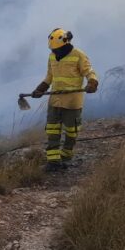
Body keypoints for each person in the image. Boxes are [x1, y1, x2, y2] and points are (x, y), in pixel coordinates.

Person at [31, 28, 99, 171]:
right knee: (52, 130)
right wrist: (40, 89)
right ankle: (53, 162)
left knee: (71, 131)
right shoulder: (52, 56)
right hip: (55, 100)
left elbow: (89, 72)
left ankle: (66, 157)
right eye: (53, 50)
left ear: (66, 44)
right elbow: (49, 77)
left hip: (72, 102)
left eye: (57, 50)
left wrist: (92, 83)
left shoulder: (79, 55)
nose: (55, 53)